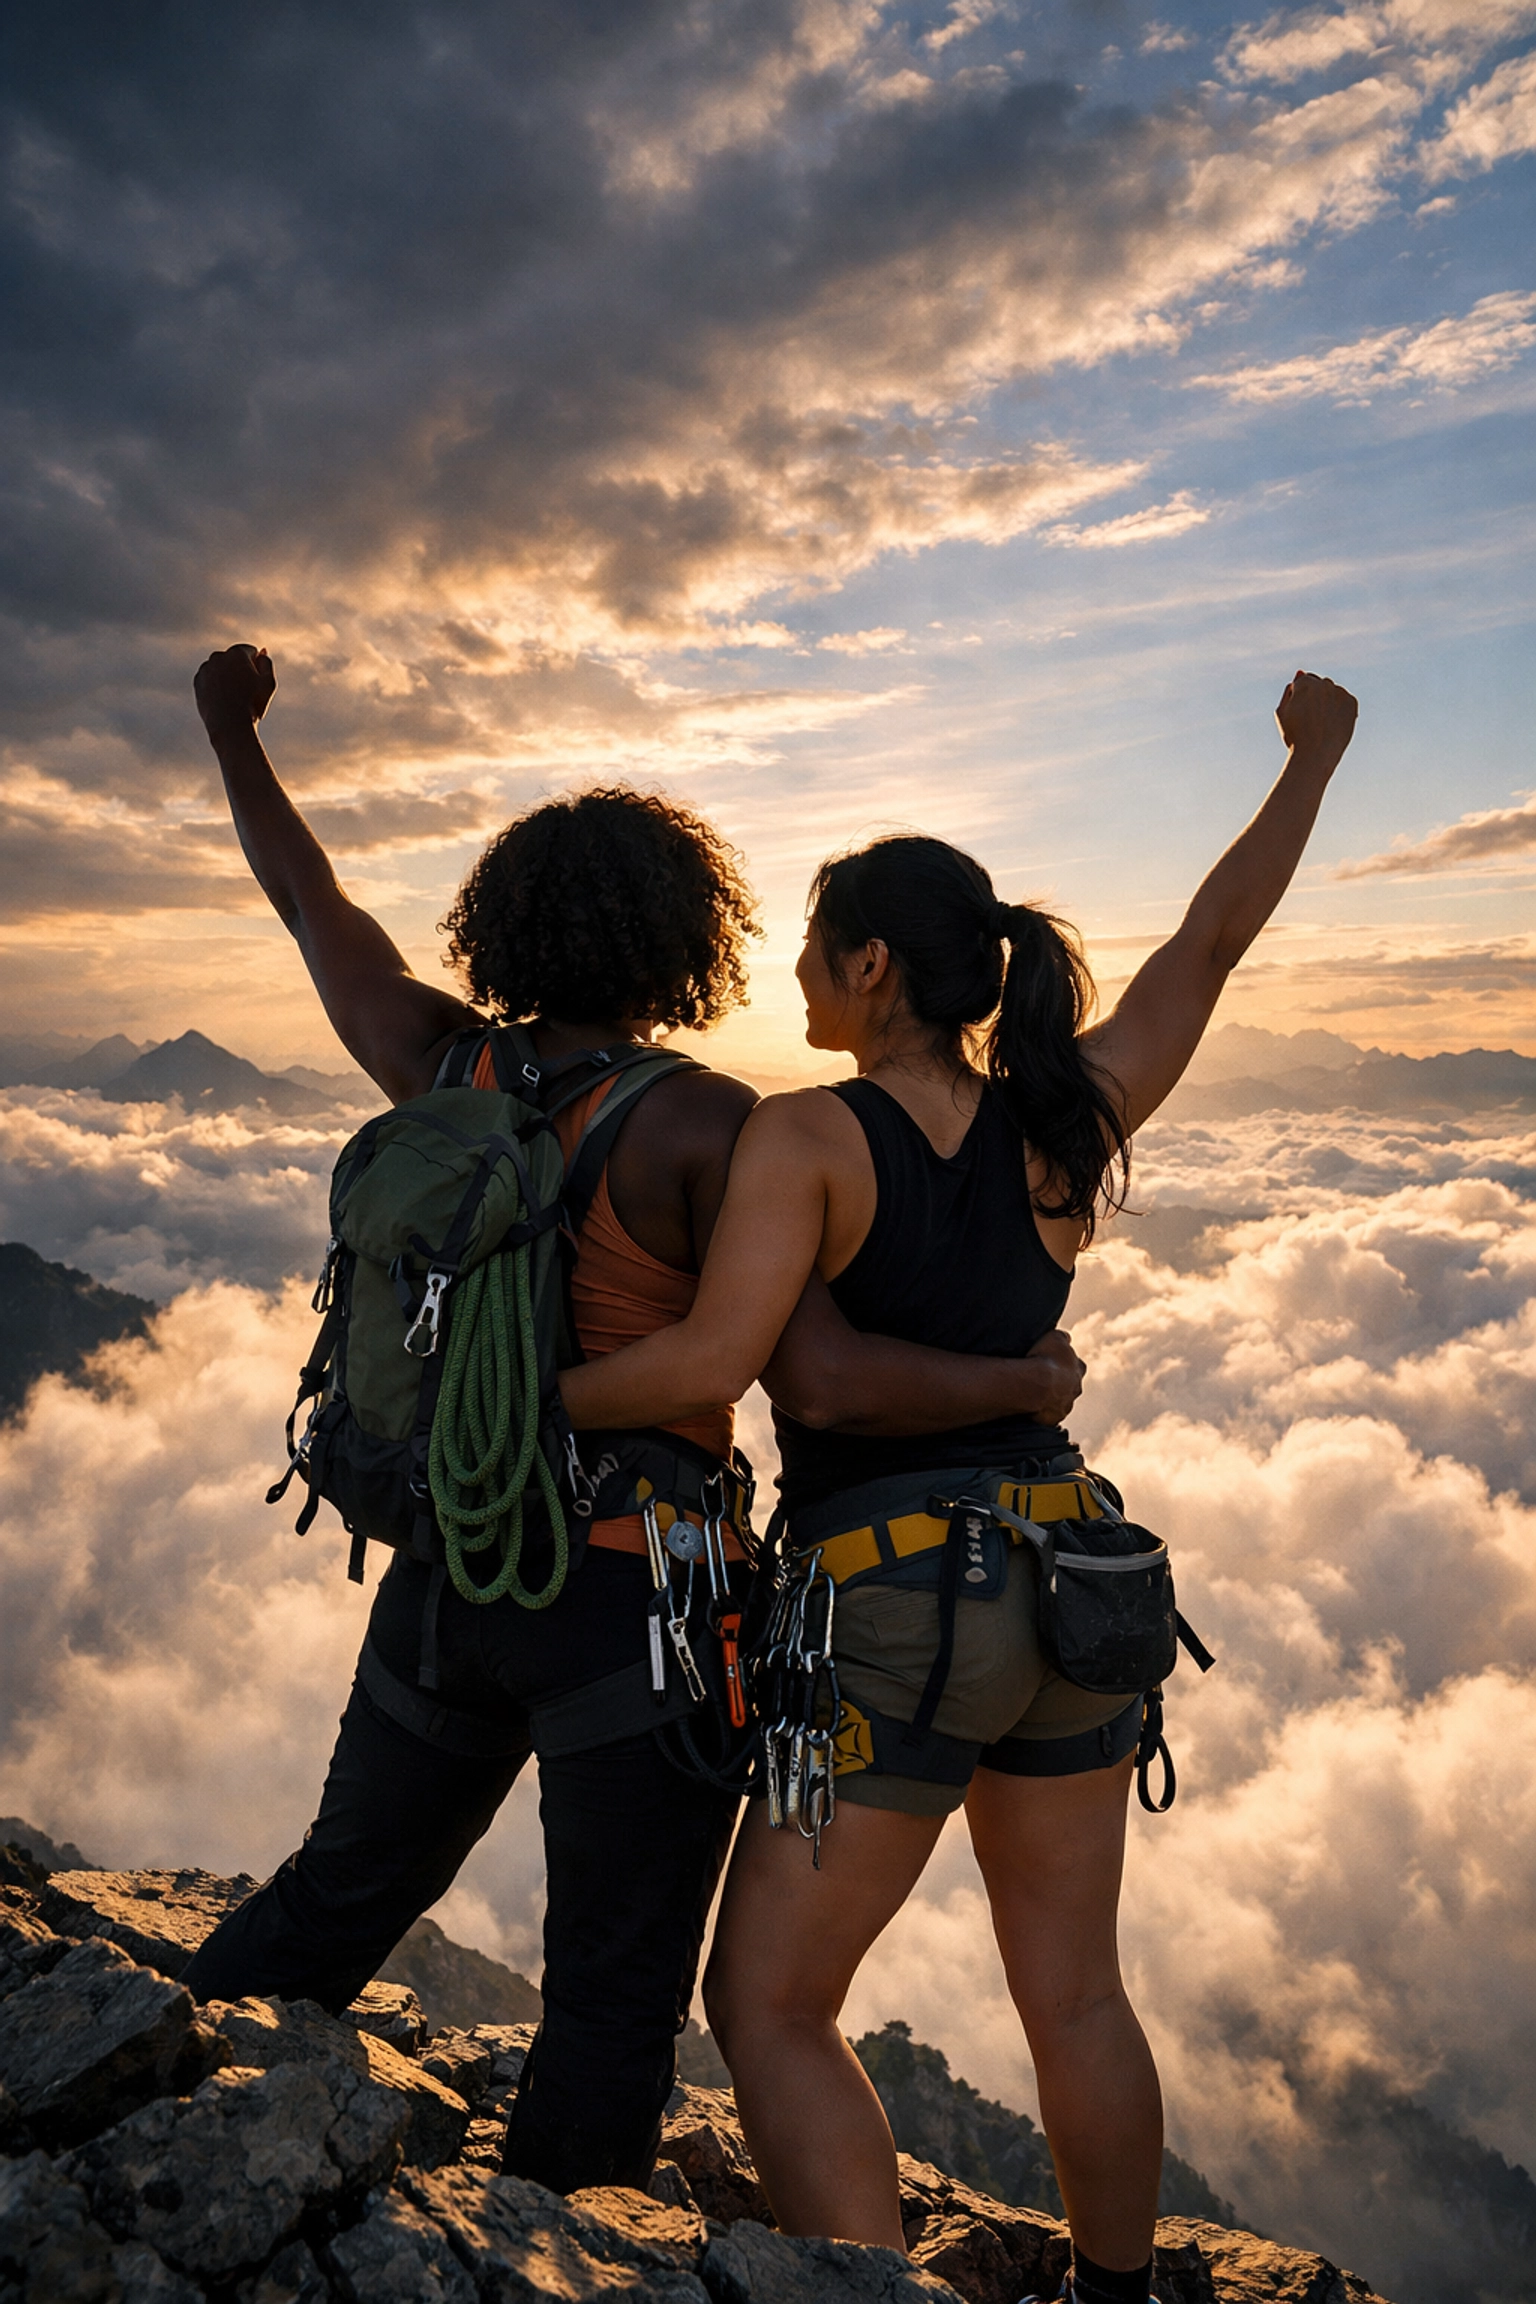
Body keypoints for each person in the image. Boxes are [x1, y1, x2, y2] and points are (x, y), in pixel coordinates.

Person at [176, 641, 1090, 2196]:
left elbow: (310, 902)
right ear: (684, 943)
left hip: (453, 1566)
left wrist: (231, 735)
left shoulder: (437, 1064)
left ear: (505, 925)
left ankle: (144, 2087)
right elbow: (820, 1378)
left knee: (338, 1895)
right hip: (636, 1602)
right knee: (610, 2001)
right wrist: (1021, 1383)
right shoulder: (711, 1126)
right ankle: (558, 2246)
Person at [557, 671, 1359, 2299]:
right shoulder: (1065, 1122)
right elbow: (1209, 947)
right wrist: (1314, 764)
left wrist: (532, 1398)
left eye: (813, 948)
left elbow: (742, 1369)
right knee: (1077, 1995)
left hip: (899, 1602)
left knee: (771, 2003)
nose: (795, 975)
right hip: (1077, 1584)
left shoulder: (810, 1139)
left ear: (872, 966)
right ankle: (1115, 2294)